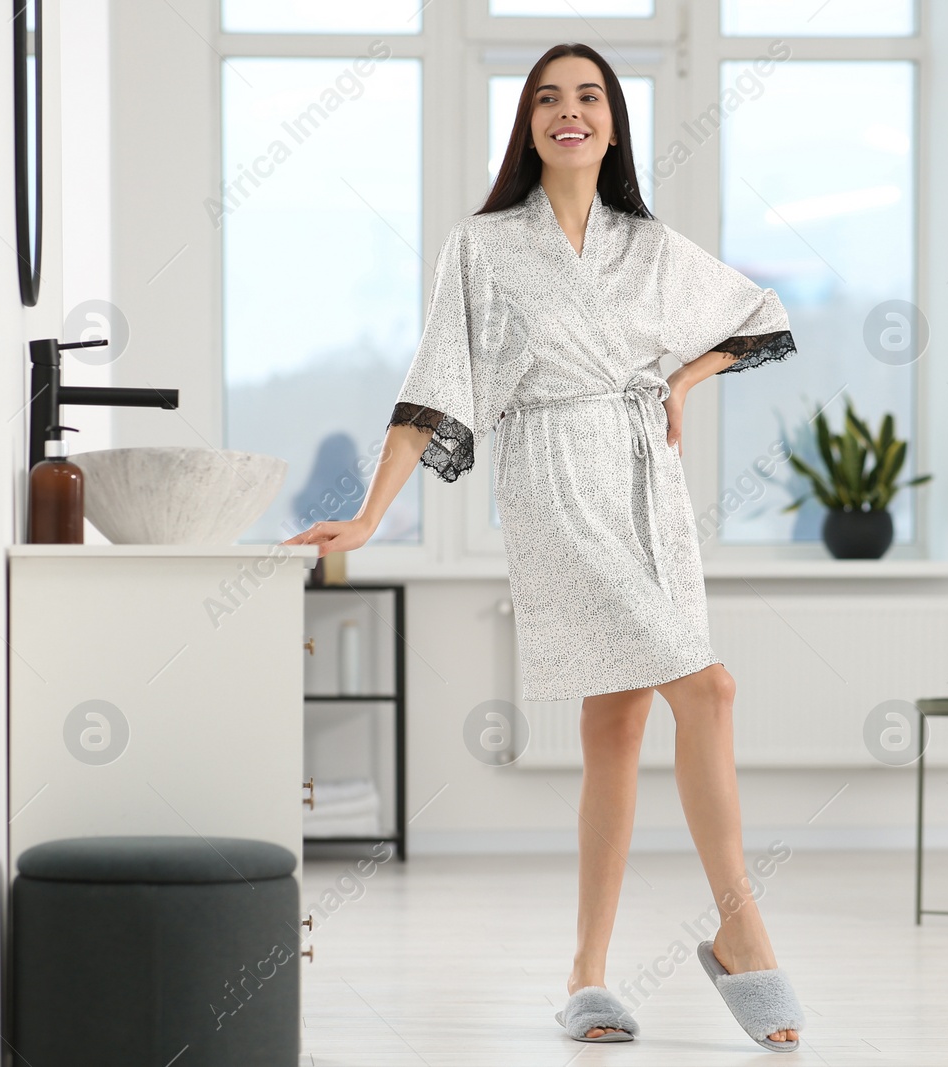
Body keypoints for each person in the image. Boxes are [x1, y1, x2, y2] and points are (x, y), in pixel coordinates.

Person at [285, 42, 804, 1051]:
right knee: (710, 687)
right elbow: (432, 386)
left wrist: (683, 381)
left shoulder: (648, 245)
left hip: (648, 482)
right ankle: (742, 926)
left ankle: (585, 973)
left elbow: (759, 315)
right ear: (527, 125)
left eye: (590, 98)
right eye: (549, 100)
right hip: (554, 484)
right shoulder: (481, 246)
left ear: (613, 123)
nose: (571, 113)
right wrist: (373, 513)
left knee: (615, 726)